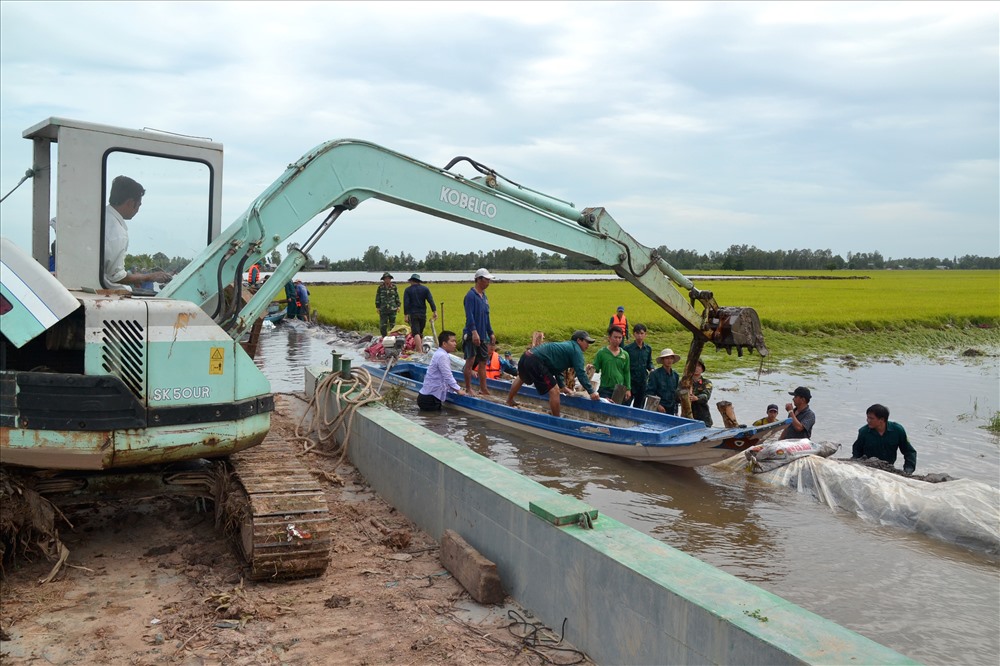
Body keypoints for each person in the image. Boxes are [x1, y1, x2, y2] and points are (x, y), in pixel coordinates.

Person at [505, 330, 600, 417]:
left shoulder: (566, 346)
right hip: (536, 361)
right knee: (555, 391)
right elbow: (581, 373)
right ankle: (556, 418)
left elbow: (556, 368)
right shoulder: (576, 350)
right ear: (579, 340)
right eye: (586, 342)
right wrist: (591, 392)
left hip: (526, 355)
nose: (588, 345)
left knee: (521, 377)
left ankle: (509, 400)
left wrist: (563, 386)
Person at [102, 175, 172, 290]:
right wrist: (150, 277)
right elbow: (116, 276)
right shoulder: (117, 232)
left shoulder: (102, 217)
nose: (138, 210)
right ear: (130, 203)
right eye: (138, 205)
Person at [852, 404, 917, 474]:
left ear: (882, 420)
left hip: (888, 468)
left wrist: (908, 470)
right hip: (868, 468)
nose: (868, 420)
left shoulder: (897, 430)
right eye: (868, 417)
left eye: (871, 418)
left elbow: (909, 452)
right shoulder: (864, 432)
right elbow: (857, 453)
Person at [463, 268, 496, 396]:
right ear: (479, 280)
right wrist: (474, 332)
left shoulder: (484, 297)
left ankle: (483, 388)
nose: (488, 282)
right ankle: (468, 388)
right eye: (486, 280)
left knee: (483, 361)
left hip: (482, 334)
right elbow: (469, 315)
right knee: (470, 361)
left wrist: (490, 332)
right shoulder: (470, 296)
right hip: (472, 334)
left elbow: (486, 316)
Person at [417, 330, 467, 411]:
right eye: (452, 341)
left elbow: (444, 378)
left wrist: (453, 389)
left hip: (428, 396)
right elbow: (447, 376)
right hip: (430, 399)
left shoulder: (440, 353)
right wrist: (458, 390)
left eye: (455, 341)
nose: (455, 344)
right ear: (444, 344)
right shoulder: (442, 356)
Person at [592, 325, 631, 403]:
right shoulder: (602, 353)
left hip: (619, 389)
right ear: (609, 338)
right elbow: (595, 369)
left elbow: (626, 372)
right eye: (615, 337)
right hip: (605, 388)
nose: (617, 340)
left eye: (620, 338)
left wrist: (628, 389)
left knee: (617, 409)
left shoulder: (625, 355)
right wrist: (590, 368)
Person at [623, 323, 653, 408]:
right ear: (634, 334)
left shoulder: (648, 349)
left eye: (642, 333)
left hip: (642, 382)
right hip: (630, 382)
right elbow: (624, 366)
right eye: (637, 333)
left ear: (645, 334)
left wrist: (652, 369)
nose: (640, 336)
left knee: (639, 407)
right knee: (625, 405)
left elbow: (649, 363)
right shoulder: (627, 349)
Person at [403, 273, 437, 343]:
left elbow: (406, 303)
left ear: (411, 281)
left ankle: (419, 349)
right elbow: (430, 301)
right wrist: (434, 311)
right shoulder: (425, 289)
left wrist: (406, 315)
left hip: (413, 314)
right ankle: (419, 345)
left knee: (416, 333)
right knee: (420, 332)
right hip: (422, 314)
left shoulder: (408, 290)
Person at [646, 348, 681, 415]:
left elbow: (676, 393)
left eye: (671, 358)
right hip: (657, 408)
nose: (669, 360)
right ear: (662, 360)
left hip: (671, 408)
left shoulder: (676, 375)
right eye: (667, 358)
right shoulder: (655, 374)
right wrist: (658, 405)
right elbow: (649, 392)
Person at [375, 272, 401, 337]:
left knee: (392, 324)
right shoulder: (380, 287)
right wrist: (377, 307)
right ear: (383, 279)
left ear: (390, 279)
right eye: (386, 279)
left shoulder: (394, 287)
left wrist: (398, 306)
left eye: (388, 278)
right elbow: (378, 297)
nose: (387, 280)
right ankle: (384, 337)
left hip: (393, 308)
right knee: (383, 325)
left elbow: (397, 296)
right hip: (383, 308)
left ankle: (392, 337)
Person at [689, 360, 713, 426]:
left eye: (699, 366)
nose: (696, 368)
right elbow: (677, 395)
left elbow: (706, 396)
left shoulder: (707, 382)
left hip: (703, 417)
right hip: (688, 416)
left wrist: (697, 398)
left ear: (702, 369)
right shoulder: (685, 382)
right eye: (694, 366)